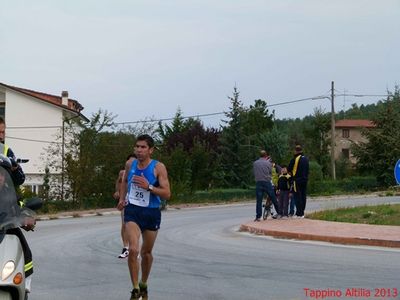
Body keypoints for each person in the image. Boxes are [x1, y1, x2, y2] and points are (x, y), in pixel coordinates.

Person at [117, 134, 171, 300]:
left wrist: (149, 187)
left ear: (151, 150)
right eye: (137, 147)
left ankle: (143, 284)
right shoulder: (130, 164)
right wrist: (122, 198)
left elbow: (167, 194)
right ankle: (134, 289)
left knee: (146, 252)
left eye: (143, 147)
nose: (139, 150)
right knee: (133, 249)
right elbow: (124, 181)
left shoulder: (158, 167)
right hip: (133, 210)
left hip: (151, 212)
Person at [0, 117, 33, 291]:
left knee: (21, 245)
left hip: (4, 204)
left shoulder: (7, 150)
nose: (2, 135)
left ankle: (24, 281)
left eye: (3, 131)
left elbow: (20, 180)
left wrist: (14, 168)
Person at [114, 154, 136, 259]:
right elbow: (119, 181)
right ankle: (125, 247)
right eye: (129, 161)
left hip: (136, 201)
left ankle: (135, 248)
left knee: (136, 225)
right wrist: (118, 192)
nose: (131, 164)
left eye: (133, 161)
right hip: (126, 199)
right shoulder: (123, 172)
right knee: (124, 224)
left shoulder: (140, 172)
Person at [253, 150, 281, 221]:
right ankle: (279, 212)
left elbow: (255, 172)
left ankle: (258, 216)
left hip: (258, 182)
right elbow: (270, 172)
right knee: (273, 198)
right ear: (266, 156)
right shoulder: (268, 163)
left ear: (259, 155)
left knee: (259, 200)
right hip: (266, 182)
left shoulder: (255, 163)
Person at [288, 145, 309, 218]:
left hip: (296, 181)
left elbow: (289, 169)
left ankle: (299, 213)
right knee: (303, 196)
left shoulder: (295, 159)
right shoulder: (306, 159)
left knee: (297, 197)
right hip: (305, 180)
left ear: (296, 151)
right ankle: (302, 212)